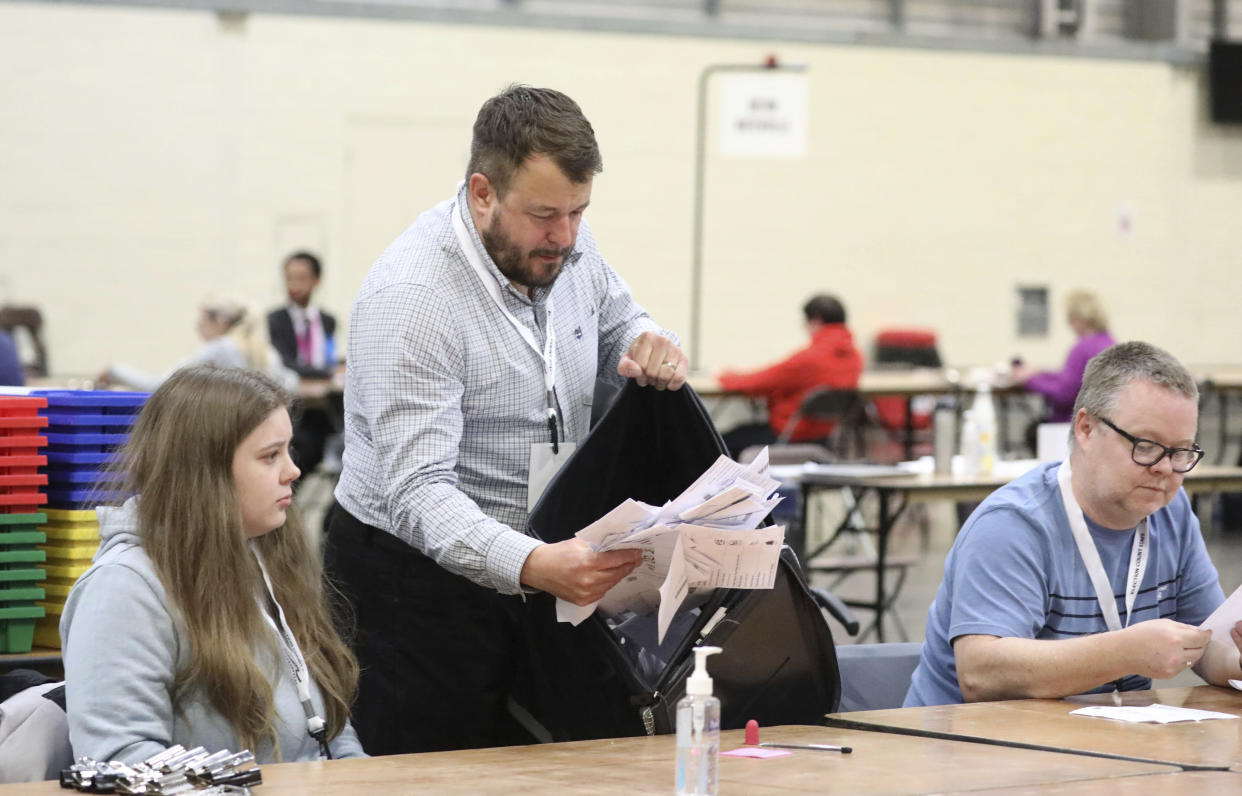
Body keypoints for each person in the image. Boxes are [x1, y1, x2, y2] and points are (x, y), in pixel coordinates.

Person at [324, 84, 687, 755]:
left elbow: (616, 317)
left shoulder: (566, 240)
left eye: (579, 212)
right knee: (435, 773)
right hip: (412, 585)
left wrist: (645, 340)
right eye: (546, 215)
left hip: (542, 555)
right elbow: (416, 493)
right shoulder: (414, 299)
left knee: (555, 759)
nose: (566, 236)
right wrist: (533, 563)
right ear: (483, 193)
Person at [905, 341, 1242, 707]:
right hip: (964, 749)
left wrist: (1237, 659)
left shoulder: (1171, 512)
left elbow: (1207, 647)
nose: (1164, 468)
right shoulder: (1014, 524)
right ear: (1085, 429)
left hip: (1089, 745)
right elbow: (981, 673)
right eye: (1145, 445)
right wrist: (1124, 652)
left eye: (1180, 451)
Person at [61, 365, 365, 763]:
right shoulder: (124, 590)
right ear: (205, 474)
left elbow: (331, 734)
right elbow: (120, 759)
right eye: (270, 456)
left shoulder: (265, 558)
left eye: (288, 450)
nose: (293, 471)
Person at [715, 294, 864, 458]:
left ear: (815, 321)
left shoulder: (809, 358)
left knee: (720, 441)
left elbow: (757, 382)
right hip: (824, 437)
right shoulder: (856, 357)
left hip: (789, 435)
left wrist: (725, 376)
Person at [103, 297, 297, 393]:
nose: (198, 329)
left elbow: (162, 386)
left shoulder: (221, 348)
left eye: (201, 322)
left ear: (220, 321)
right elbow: (291, 383)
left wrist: (115, 371)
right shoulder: (266, 352)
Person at [267, 252, 340, 476]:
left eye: (301, 278)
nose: (294, 285)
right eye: (289, 278)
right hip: (295, 407)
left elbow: (329, 356)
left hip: (323, 407)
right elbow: (288, 363)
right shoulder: (276, 320)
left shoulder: (327, 321)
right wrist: (328, 372)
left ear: (316, 281)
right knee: (303, 446)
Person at [1013, 289, 1115, 423]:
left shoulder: (1082, 348)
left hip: (1070, 423)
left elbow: (1064, 392)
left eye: (1071, 318)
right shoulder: (1109, 342)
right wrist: (1039, 374)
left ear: (1079, 318)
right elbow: (1071, 378)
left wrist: (1029, 380)